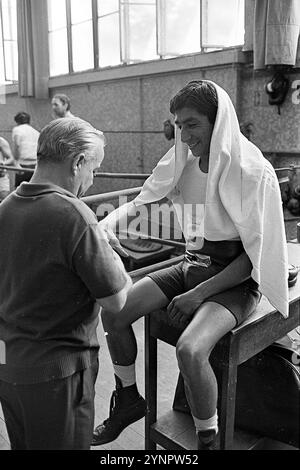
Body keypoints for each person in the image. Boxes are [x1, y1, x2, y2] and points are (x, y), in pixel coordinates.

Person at [92, 80, 289, 450]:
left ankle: (208, 439)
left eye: (192, 124)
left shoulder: (251, 170)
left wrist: (198, 294)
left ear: (218, 122)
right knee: (114, 314)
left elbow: (253, 258)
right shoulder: (181, 157)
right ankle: (128, 399)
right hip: (191, 263)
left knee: (190, 349)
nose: (183, 134)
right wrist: (105, 223)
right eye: (179, 124)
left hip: (235, 281)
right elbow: (144, 196)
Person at [0, 118, 132, 450]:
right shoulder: (74, 215)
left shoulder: (6, 208)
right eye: (94, 169)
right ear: (77, 163)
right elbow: (116, 299)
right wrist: (108, 249)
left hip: (10, 364)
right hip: (59, 375)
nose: (92, 179)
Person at [12, 111, 40, 186]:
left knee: (19, 191)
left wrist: (16, 162)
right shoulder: (36, 132)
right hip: (36, 166)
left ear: (17, 121)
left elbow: (17, 144)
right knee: (33, 191)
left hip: (23, 165)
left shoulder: (17, 129)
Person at [0, 137, 16, 202]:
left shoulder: (1, 141)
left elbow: (11, 159)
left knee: (3, 202)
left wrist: (3, 163)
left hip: (1, 177)